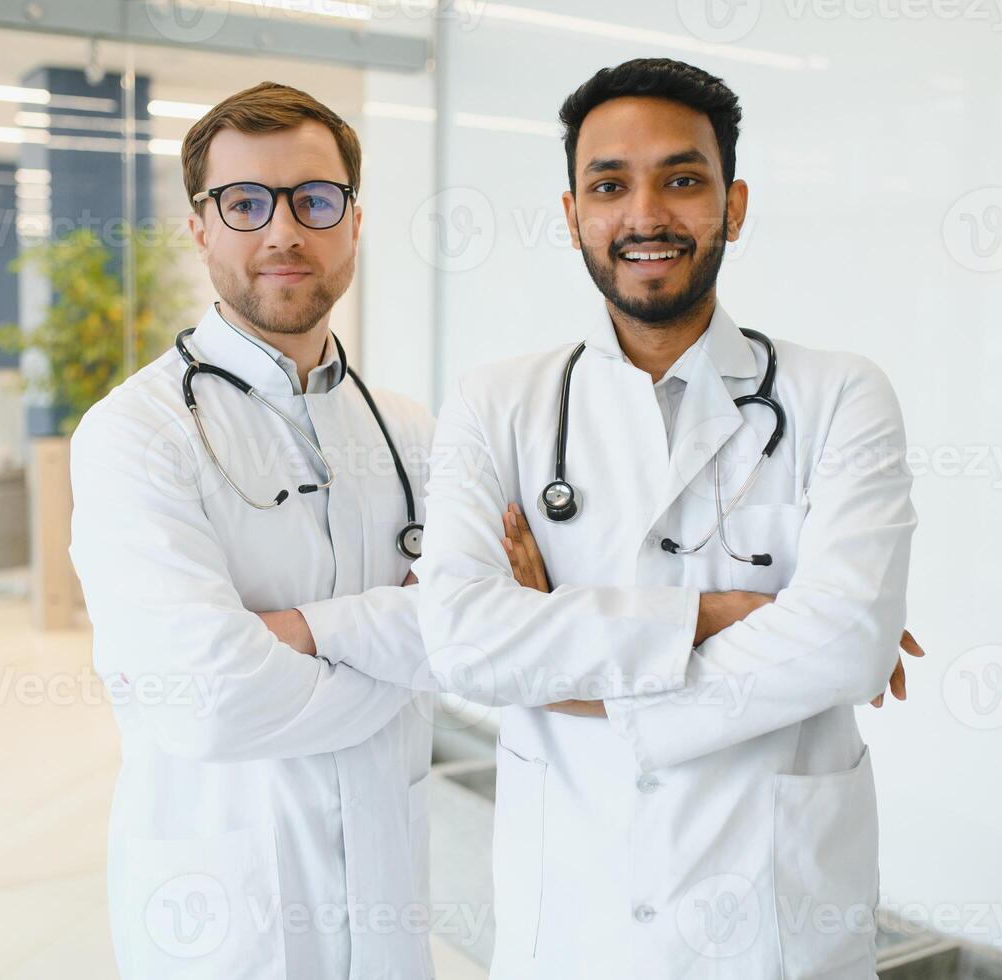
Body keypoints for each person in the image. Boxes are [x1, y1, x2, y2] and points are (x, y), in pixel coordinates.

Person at [415, 58, 919, 978]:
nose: (645, 215)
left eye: (682, 180)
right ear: (572, 215)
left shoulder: (839, 394)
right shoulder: (496, 404)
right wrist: (723, 614)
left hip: (773, 922)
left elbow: (846, 642)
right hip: (573, 917)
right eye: (609, 185)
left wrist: (558, 657)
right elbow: (459, 645)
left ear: (731, 204)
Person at [68, 82, 436, 979]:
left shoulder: (409, 431)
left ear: (353, 220)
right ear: (200, 227)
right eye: (245, 203)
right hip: (225, 911)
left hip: (388, 885)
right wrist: (412, 640)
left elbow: (481, 629)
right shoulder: (136, 432)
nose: (284, 233)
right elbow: (207, 697)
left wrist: (304, 638)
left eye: (315, 200)